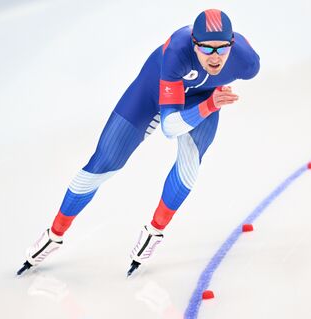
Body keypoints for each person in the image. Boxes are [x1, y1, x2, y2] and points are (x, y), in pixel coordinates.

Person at [17, 8, 260, 276]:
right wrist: (210, 105)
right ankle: (54, 234)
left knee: (189, 169)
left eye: (222, 49)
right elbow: (170, 127)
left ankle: (154, 232)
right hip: (152, 91)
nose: (215, 58)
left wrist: (208, 104)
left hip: (200, 99)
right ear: (194, 43)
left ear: (232, 44)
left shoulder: (247, 63)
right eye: (206, 49)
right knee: (103, 164)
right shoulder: (178, 51)